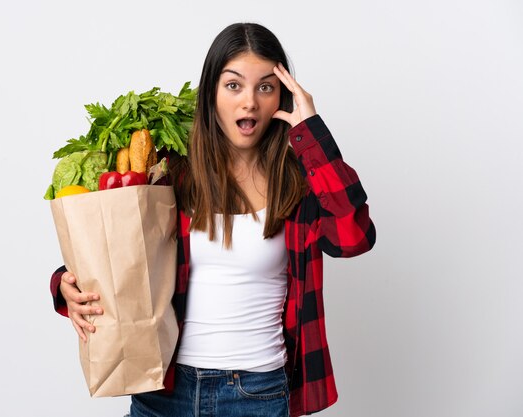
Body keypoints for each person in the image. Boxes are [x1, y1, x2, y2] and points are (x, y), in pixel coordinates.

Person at [49, 22, 376, 417]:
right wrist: (65, 285)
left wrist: (312, 132)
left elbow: (354, 237)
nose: (250, 102)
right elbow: (120, 253)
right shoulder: (172, 172)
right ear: (212, 93)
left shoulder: (300, 179)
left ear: (283, 98)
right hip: (164, 391)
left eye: (266, 87)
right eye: (234, 85)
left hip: (258, 392)